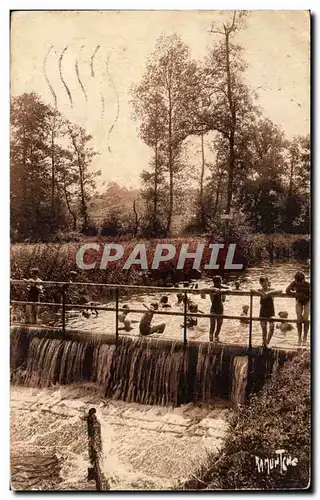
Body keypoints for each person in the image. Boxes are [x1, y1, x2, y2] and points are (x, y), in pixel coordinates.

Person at [251, 276, 281, 348]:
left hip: (271, 312)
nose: (264, 284)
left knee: (272, 326)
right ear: (260, 283)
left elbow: (280, 290)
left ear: (268, 282)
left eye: (265, 282)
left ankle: (268, 341)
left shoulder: (271, 289)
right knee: (264, 329)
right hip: (263, 312)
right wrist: (260, 294)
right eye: (262, 282)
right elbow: (251, 289)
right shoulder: (260, 290)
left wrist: (268, 293)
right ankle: (264, 343)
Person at [286, 271, 310, 346]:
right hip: (299, 301)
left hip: (307, 301)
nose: (299, 283)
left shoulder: (308, 284)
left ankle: (305, 338)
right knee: (299, 318)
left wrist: (306, 296)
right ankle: (299, 338)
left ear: (303, 280)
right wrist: (295, 294)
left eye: (300, 282)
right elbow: (287, 290)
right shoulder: (294, 282)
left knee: (306, 318)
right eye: (297, 282)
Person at [209, 276, 229, 342]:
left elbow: (228, 288)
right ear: (219, 282)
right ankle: (212, 338)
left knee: (218, 325)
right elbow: (212, 297)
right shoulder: (212, 289)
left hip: (216, 308)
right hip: (216, 308)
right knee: (213, 325)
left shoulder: (220, 287)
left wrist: (223, 291)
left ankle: (215, 337)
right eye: (220, 281)